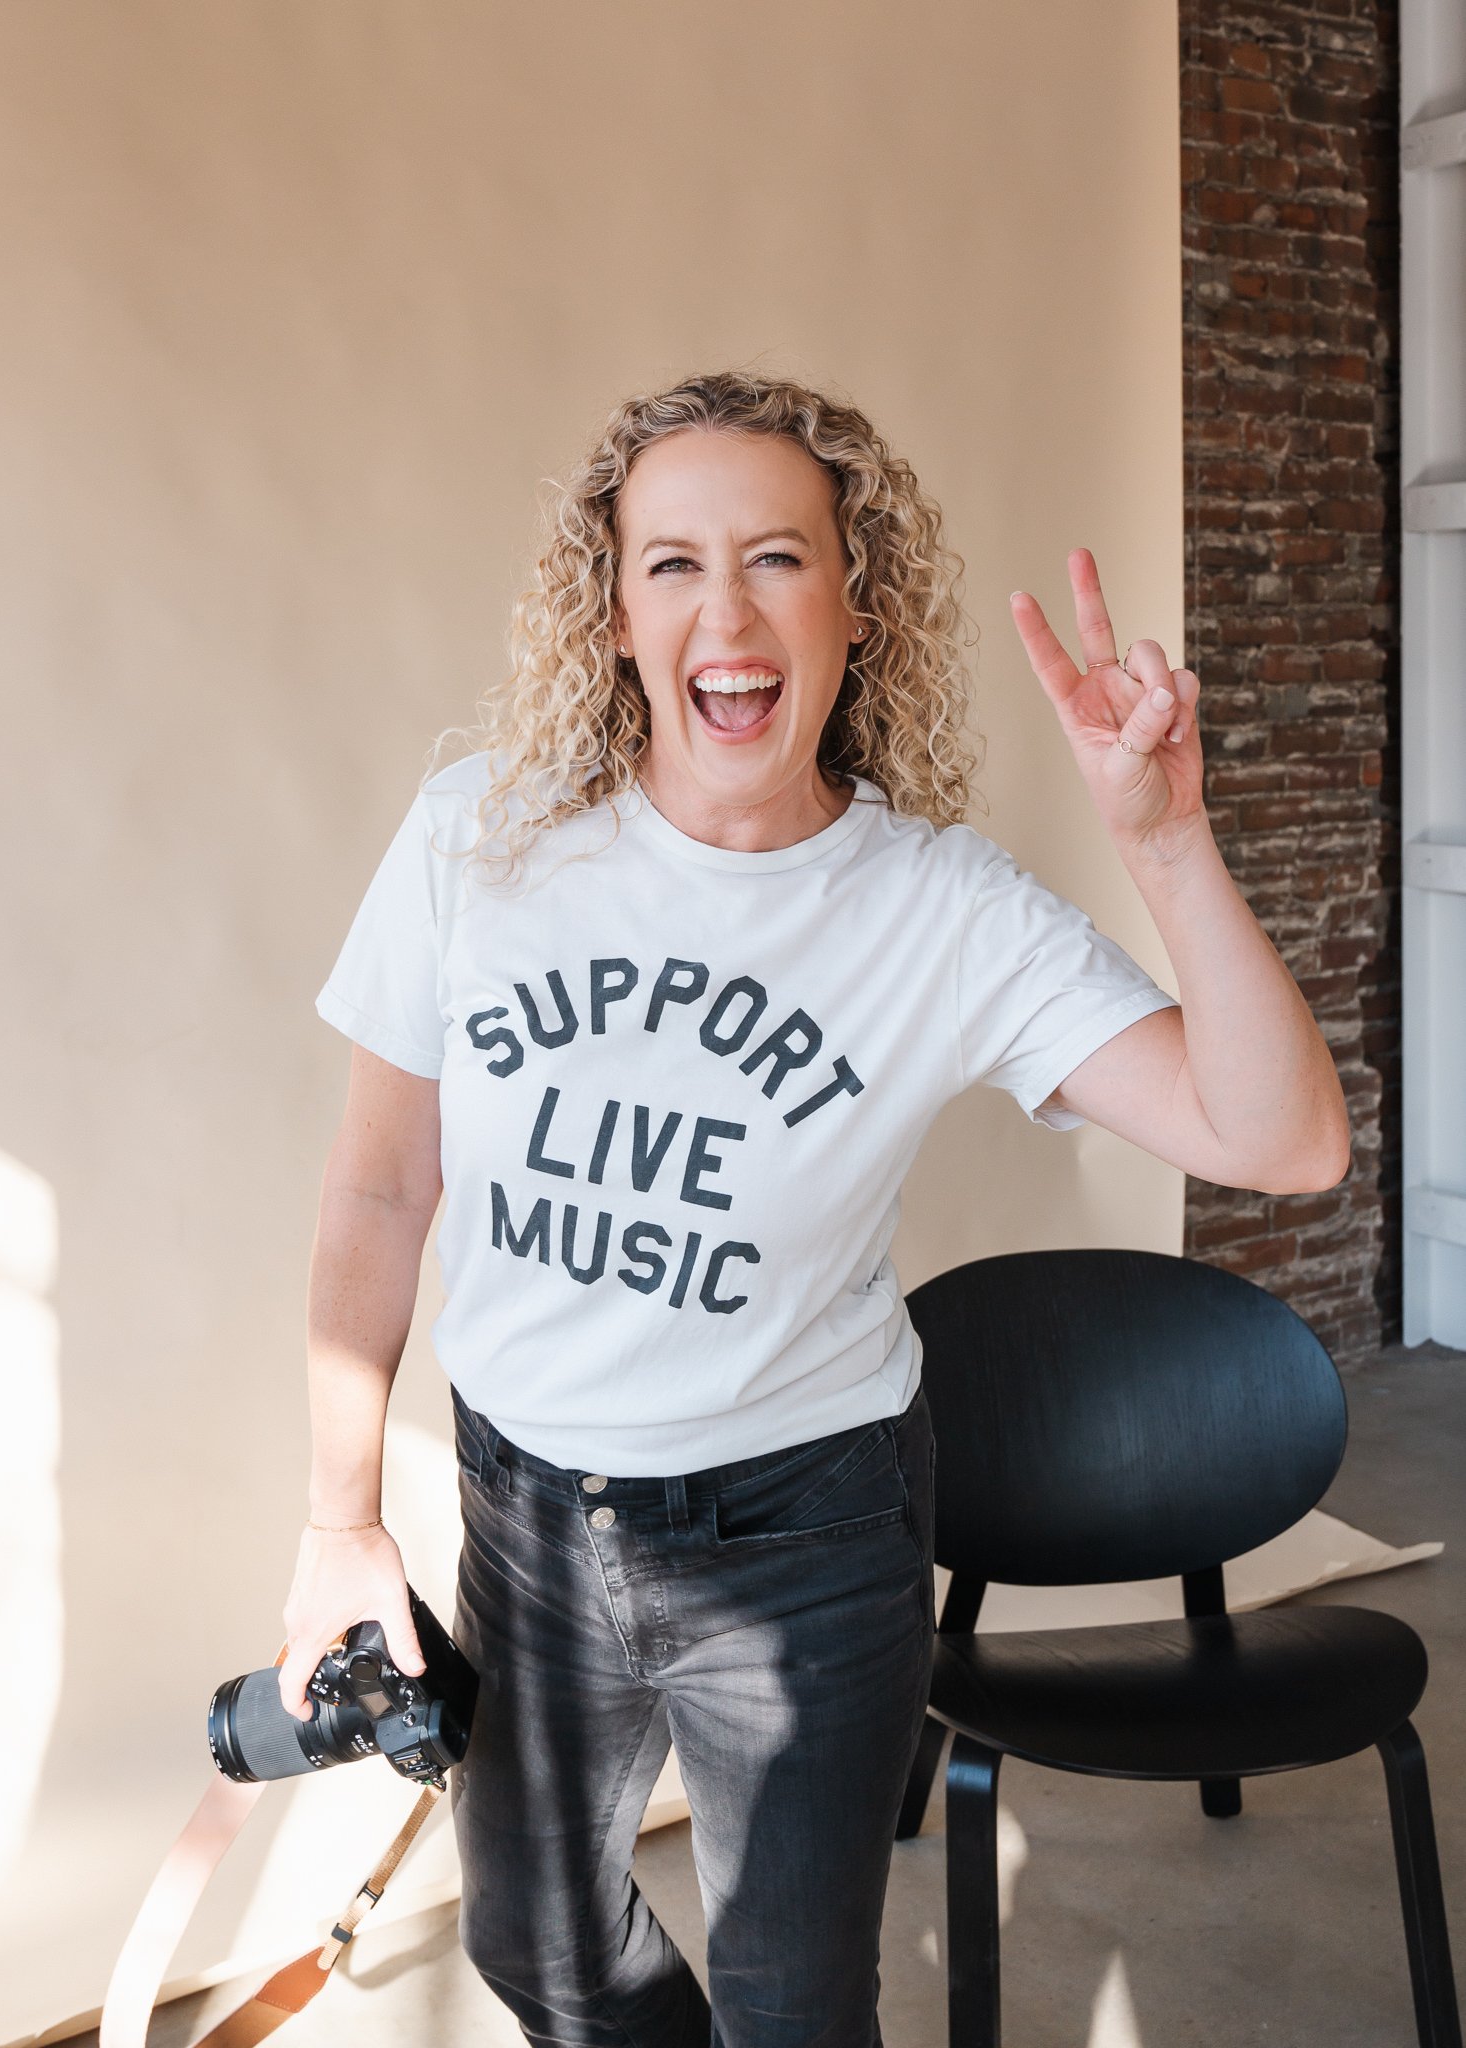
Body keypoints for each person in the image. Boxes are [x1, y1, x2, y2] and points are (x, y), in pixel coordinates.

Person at [278, 369, 1351, 2047]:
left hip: (808, 1529)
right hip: (531, 1522)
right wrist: (343, 1520)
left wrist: (1166, 839)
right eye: (673, 564)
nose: (728, 608)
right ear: (614, 614)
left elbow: (1278, 1142)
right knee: (539, 1953)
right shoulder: (473, 840)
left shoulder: (940, 909)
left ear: (856, 612)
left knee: (794, 2008)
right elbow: (378, 1180)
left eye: (780, 558)